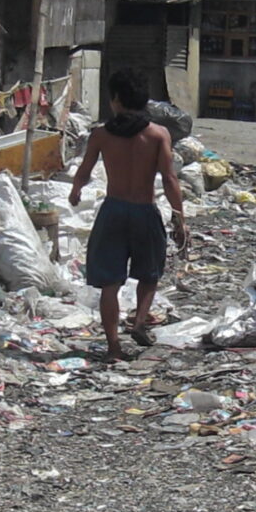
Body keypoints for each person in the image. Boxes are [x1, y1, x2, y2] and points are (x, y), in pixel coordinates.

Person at [68, 69, 188, 360]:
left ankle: (113, 347)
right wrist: (179, 217)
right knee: (150, 272)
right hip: (145, 211)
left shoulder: (101, 135)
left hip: (113, 210)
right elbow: (170, 179)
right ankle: (138, 322)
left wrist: (75, 192)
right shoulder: (158, 134)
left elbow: (84, 170)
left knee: (110, 282)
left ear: (117, 100)